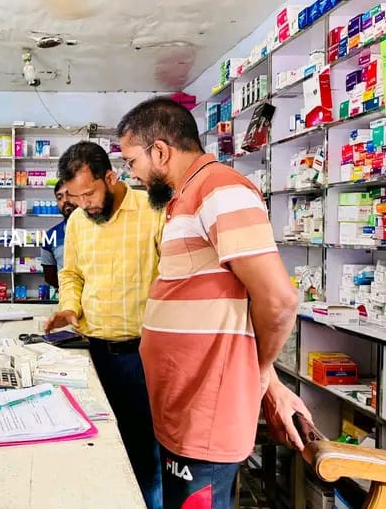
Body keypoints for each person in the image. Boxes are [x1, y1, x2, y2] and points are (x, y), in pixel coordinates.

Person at [117, 96, 312, 509]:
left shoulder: (219, 189)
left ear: (160, 151)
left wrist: (260, 374)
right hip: (184, 408)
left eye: (132, 161)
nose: (131, 173)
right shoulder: (186, 197)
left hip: (204, 414)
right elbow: (233, 307)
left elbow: (278, 300)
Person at [44, 141, 165, 508]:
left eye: (89, 194)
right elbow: (71, 274)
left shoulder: (153, 210)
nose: (84, 204)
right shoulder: (78, 221)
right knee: (97, 447)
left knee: (144, 452)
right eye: (74, 197)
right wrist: (69, 308)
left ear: (110, 178)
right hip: (93, 354)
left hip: (143, 356)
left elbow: (174, 278)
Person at [40, 179, 76, 288]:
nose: (65, 200)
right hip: (67, 295)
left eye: (69, 194)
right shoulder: (51, 236)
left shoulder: (98, 229)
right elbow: (49, 277)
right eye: (60, 197)